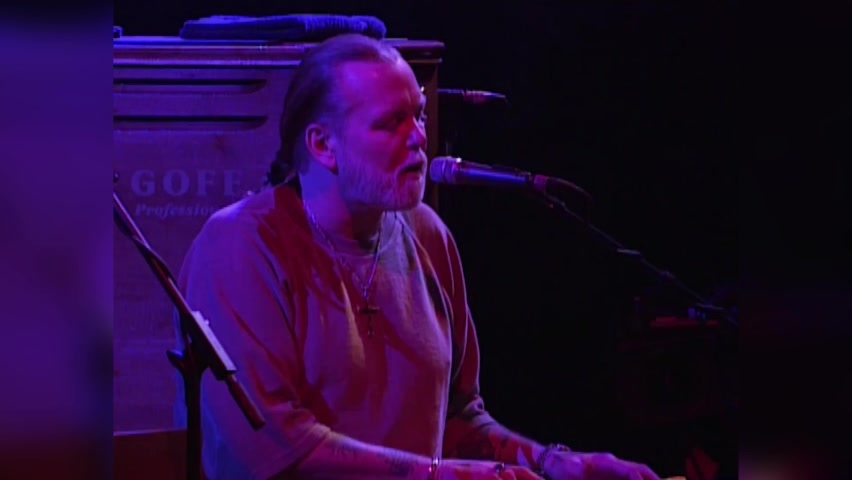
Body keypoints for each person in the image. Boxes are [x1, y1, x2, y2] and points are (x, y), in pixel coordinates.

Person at [177, 33, 663, 480]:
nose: (418, 137)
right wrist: (445, 476)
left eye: (421, 114)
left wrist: (552, 462)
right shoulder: (242, 245)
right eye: (392, 122)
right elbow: (271, 449)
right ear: (323, 144)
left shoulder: (428, 234)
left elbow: (458, 418)